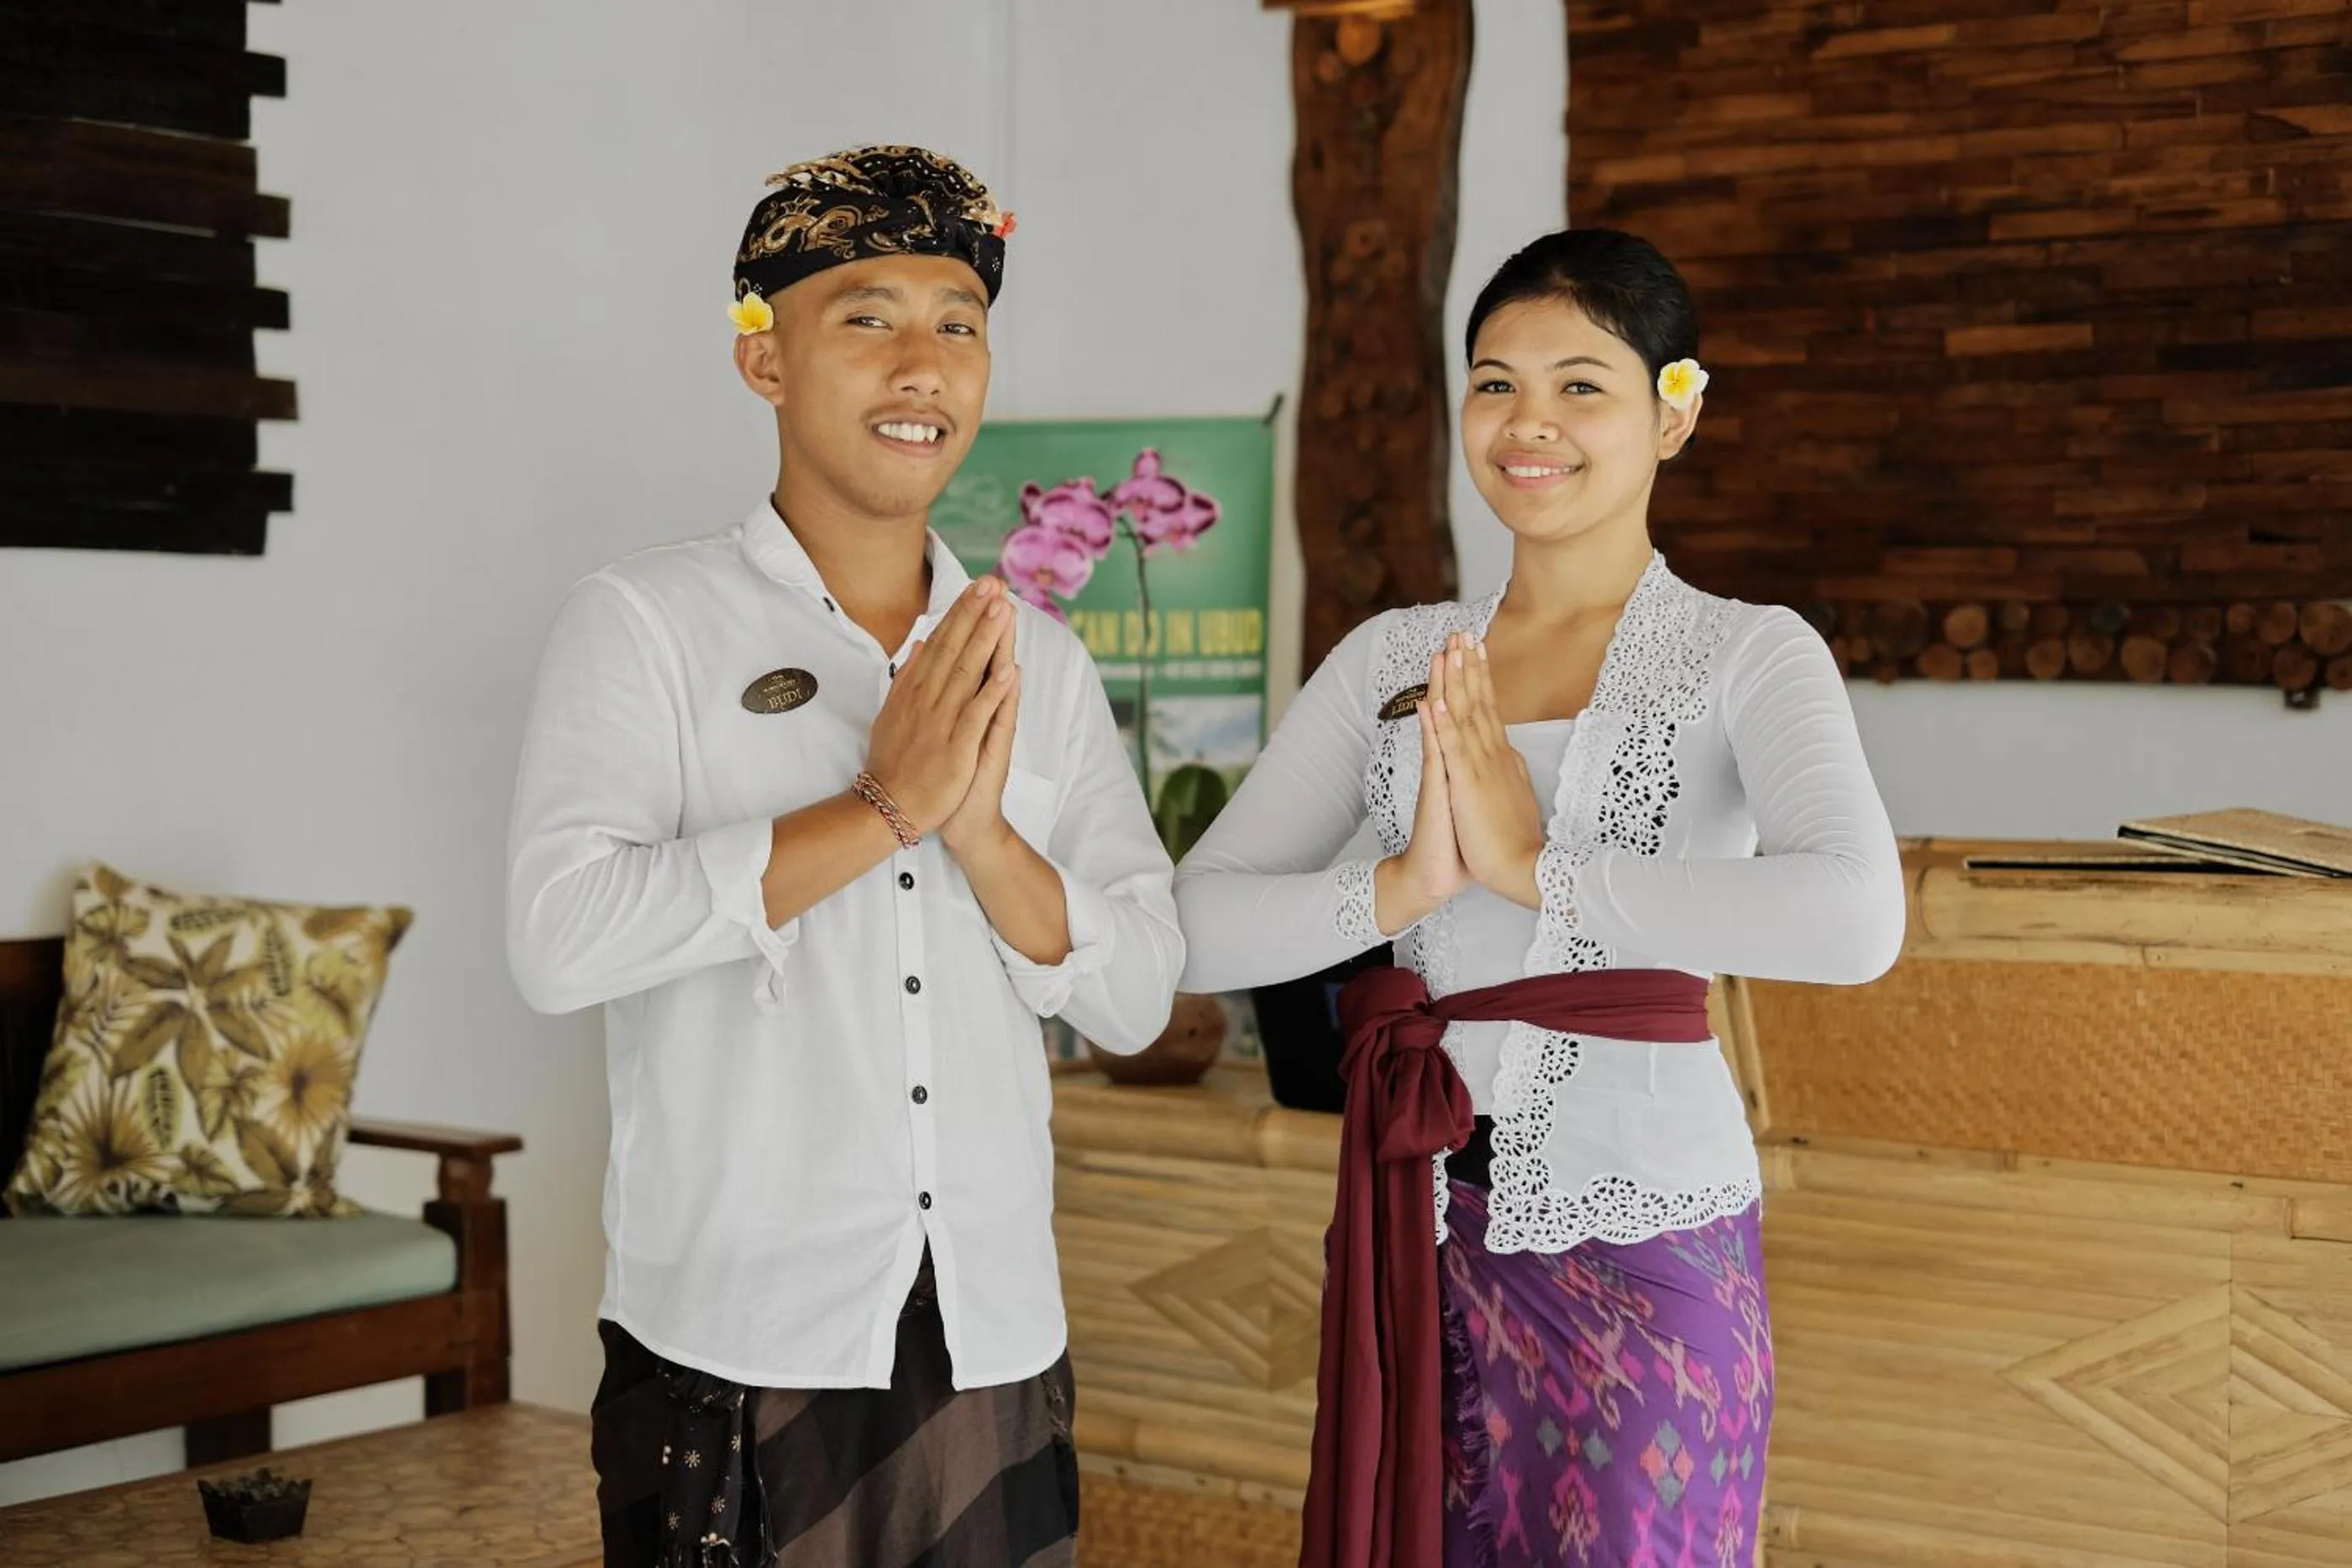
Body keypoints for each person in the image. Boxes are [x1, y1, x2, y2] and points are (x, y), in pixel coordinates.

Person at [1173, 228, 1904, 1567]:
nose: (1530, 423)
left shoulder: (1747, 651)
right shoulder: (1392, 658)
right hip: (1419, 1228)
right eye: (1496, 383)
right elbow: (1192, 926)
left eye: (1582, 385)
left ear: (1675, 414)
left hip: (1649, 1240)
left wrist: (1537, 871)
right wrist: (1401, 886)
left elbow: (1857, 918)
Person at [507, 144, 1184, 1568]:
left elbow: (1136, 995)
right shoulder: (643, 623)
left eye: (959, 324)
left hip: (994, 1333)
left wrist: (978, 833)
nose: (921, 365)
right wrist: (879, 807)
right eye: (867, 317)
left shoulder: (1039, 662)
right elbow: (560, 938)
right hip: (735, 1338)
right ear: (763, 358)